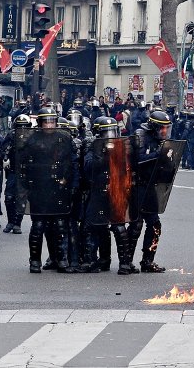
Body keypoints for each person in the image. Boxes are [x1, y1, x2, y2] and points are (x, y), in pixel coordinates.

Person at [22, 107, 80, 273]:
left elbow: (71, 162)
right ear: (40, 123)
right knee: (38, 225)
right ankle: (34, 261)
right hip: (39, 187)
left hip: (59, 186)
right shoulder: (32, 140)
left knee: (60, 225)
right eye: (46, 121)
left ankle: (61, 260)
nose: (49, 124)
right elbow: (23, 165)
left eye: (52, 121)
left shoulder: (64, 138)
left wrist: (69, 181)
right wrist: (27, 185)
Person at [83, 116, 138, 274]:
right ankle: (100, 260)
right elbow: (87, 167)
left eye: (112, 132)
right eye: (106, 133)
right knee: (94, 225)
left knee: (118, 225)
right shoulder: (93, 147)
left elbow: (132, 166)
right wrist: (103, 155)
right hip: (99, 190)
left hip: (116, 190)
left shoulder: (122, 147)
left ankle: (125, 263)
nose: (110, 137)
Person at [128, 110, 180, 272]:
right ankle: (126, 261)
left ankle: (147, 261)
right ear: (153, 126)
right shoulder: (140, 136)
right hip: (137, 186)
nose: (165, 132)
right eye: (161, 128)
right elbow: (138, 160)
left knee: (155, 224)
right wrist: (159, 154)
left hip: (152, 186)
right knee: (136, 225)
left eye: (167, 128)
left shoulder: (161, 140)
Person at [1, 114, 32, 234]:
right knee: (9, 197)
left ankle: (17, 223)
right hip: (13, 170)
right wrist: (5, 157)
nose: (22, 129)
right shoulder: (11, 135)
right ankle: (10, 221)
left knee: (22, 198)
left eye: (24, 126)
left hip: (26, 172)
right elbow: (3, 148)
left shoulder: (32, 137)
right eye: (20, 126)